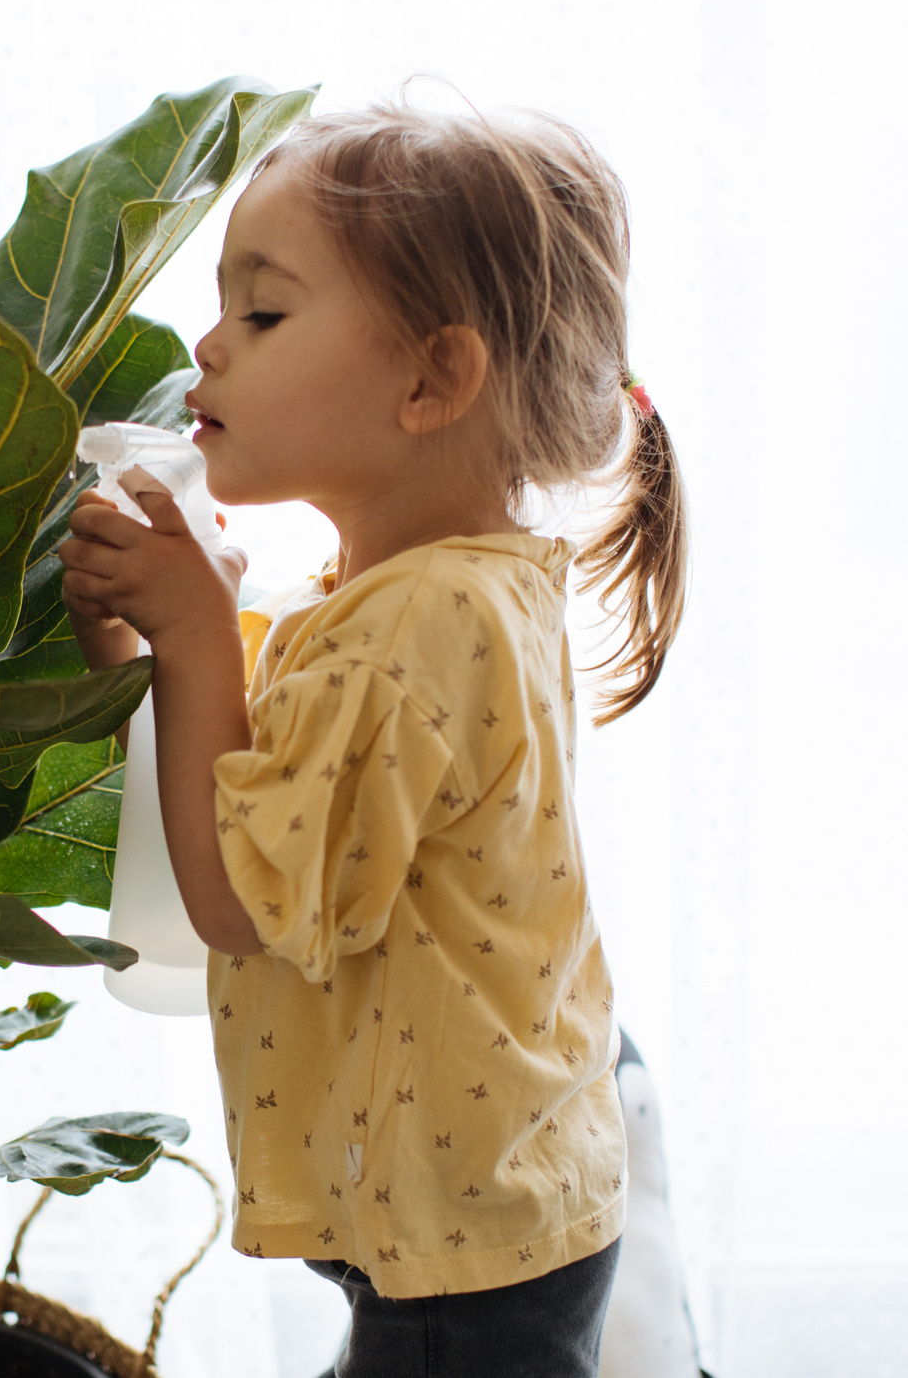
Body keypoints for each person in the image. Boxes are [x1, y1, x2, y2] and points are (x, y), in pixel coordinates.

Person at [54, 100, 687, 1378]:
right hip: (490, 1188)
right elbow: (225, 803)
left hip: (467, 1240)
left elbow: (235, 900)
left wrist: (186, 634)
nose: (205, 345)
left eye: (264, 312)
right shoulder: (426, 590)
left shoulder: (412, 624)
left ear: (432, 379)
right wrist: (142, 641)